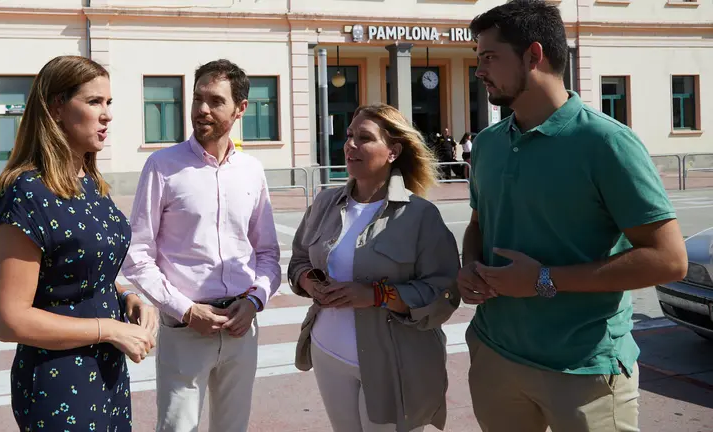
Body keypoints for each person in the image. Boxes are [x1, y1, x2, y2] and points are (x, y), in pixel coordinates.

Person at [459, 1, 688, 431]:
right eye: (477, 58)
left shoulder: (605, 143)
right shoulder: (488, 144)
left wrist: (544, 279)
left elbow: (669, 260)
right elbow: (479, 225)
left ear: (534, 54)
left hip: (584, 369)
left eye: (489, 57)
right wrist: (469, 265)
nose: (479, 70)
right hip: (495, 356)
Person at [0, 55, 158, 432]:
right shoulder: (28, 193)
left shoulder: (91, 183)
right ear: (57, 109)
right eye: (94, 102)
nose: (107, 114)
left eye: (109, 103)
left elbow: (83, 266)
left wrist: (125, 297)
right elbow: (9, 319)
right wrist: (110, 329)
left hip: (107, 372)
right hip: (59, 382)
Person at [121, 59, 281, 432]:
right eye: (197, 99)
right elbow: (137, 254)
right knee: (178, 427)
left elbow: (268, 254)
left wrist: (255, 300)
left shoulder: (253, 171)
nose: (202, 110)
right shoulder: (163, 166)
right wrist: (186, 309)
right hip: (186, 330)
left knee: (233, 427)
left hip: (242, 328)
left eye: (215, 101)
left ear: (240, 108)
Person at [288, 103, 461, 432]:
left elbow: (444, 292)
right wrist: (310, 282)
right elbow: (298, 259)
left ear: (393, 151)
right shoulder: (325, 203)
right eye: (350, 135)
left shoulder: (419, 216)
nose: (350, 144)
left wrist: (377, 294)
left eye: (364, 138)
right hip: (328, 352)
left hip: (394, 361)